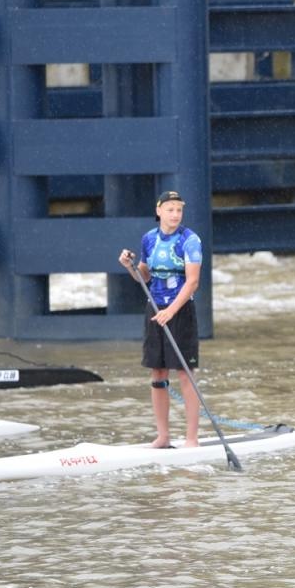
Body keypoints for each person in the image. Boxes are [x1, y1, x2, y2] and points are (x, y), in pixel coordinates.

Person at [118, 190, 205, 448]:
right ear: (159, 212)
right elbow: (144, 277)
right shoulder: (149, 239)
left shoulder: (190, 241)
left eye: (179, 210)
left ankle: (191, 439)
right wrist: (129, 266)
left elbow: (193, 282)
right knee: (157, 373)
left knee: (185, 374)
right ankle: (163, 436)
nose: (175, 214)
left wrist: (171, 310)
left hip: (181, 312)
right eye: (170, 209)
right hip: (155, 309)